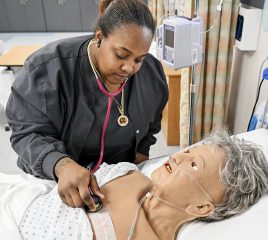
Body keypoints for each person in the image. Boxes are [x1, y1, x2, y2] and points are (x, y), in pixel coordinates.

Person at [5, 0, 168, 211]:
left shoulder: (152, 76)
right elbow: (26, 132)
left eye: (139, 59)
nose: (129, 68)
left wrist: (140, 161)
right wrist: (61, 165)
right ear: (99, 37)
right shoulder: (46, 70)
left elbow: (151, 123)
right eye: (121, 55)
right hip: (53, 178)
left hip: (113, 178)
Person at [19, 128, 268, 240]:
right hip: (17, 197)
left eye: (194, 164)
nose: (177, 155)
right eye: (188, 152)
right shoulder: (129, 173)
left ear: (200, 207)